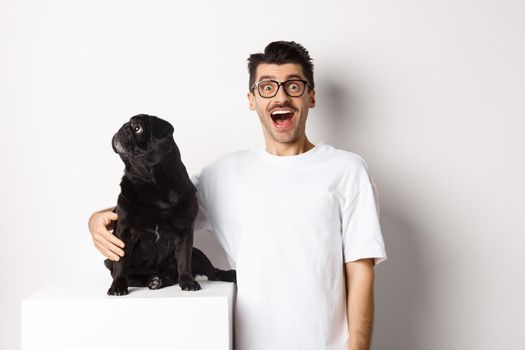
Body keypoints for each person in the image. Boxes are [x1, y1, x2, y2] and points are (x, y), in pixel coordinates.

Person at [88, 41, 387, 350]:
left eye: (293, 86)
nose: (281, 95)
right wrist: (97, 219)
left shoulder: (347, 170)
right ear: (252, 99)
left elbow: (360, 271)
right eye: (268, 87)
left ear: (311, 96)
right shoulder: (223, 174)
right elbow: (158, 210)